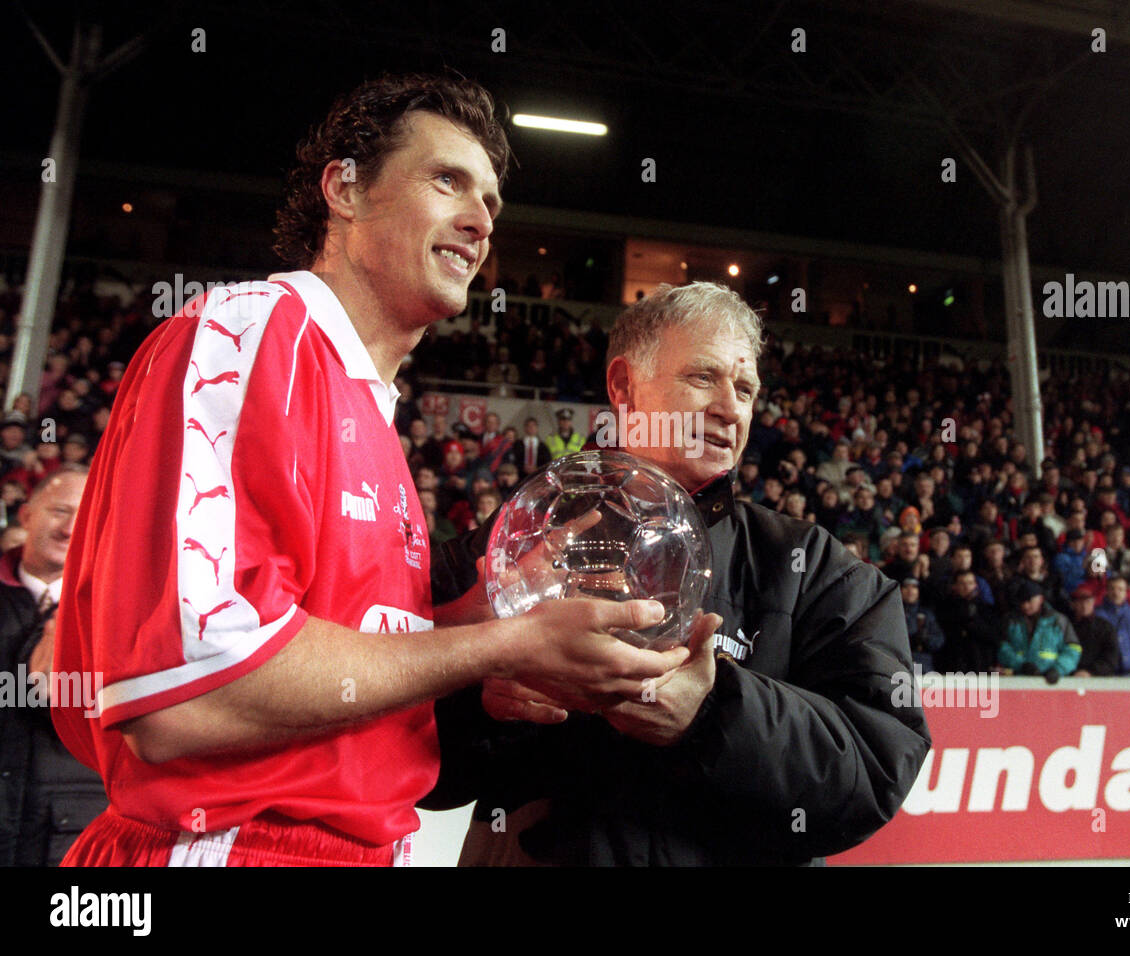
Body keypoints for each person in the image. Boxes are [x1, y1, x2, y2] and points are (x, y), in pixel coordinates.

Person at [50, 73, 691, 868]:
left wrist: (479, 620)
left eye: (491, 202)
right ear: (344, 191)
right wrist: (503, 644)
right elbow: (189, 693)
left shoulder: (372, 413)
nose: (480, 220)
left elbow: (332, 660)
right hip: (230, 844)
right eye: (447, 180)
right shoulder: (253, 337)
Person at [425, 281, 930, 865]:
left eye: (745, 388)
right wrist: (477, 695)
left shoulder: (815, 568)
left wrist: (712, 713)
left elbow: (879, 767)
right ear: (623, 387)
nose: (730, 407)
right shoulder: (508, 546)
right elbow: (398, 753)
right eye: (703, 377)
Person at [1, 465, 106, 865]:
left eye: (84, 517)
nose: (69, 529)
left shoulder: (112, 611)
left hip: (67, 832)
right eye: (60, 511)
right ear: (26, 514)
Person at [998, 580, 1081, 682]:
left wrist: (1058, 670)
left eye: (1029, 601)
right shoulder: (1011, 621)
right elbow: (1003, 649)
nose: (1025, 606)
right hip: (1019, 681)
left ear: (1040, 599)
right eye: (1022, 601)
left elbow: (1073, 649)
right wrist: (1021, 665)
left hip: (1051, 682)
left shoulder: (1058, 621)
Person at [1093, 576, 1130, 674]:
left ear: (1126, 593)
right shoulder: (1097, 614)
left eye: (1120, 589)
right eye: (1112, 589)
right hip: (1106, 672)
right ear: (1106, 591)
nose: (1116, 593)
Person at [1067, 585, 1120, 677]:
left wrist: (1091, 672)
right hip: (1069, 676)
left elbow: (1111, 656)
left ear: (1093, 603)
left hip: (1098, 678)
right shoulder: (1066, 625)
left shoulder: (1105, 627)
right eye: (1080, 602)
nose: (1084, 606)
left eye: (1088, 602)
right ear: (1073, 604)